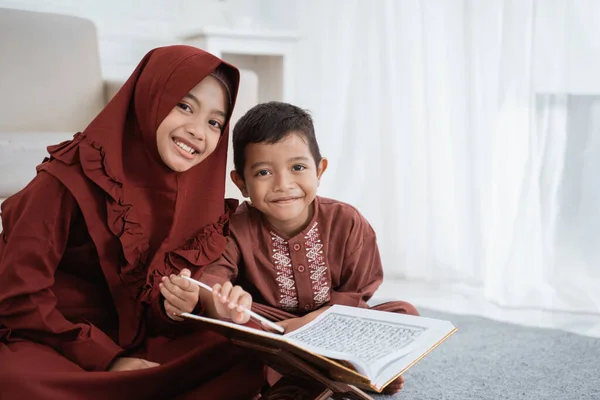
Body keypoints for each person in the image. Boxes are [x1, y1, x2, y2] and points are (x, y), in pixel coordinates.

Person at [0, 45, 266, 399]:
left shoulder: (197, 201)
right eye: (184, 106)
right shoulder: (66, 177)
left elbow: (150, 311)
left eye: (214, 122)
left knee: (242, 354)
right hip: (50, 337)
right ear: (150, 97)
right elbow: (20, 297)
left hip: (135, 343)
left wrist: (177, 307)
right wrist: (108, 360)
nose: (198, 131)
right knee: (17, 381)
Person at [161, 101, 419, 394]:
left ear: (319, 170)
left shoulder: (347, 221)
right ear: (241, 183)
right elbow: (212, 278)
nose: (283, 184)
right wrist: (224, 298)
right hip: (274, 331)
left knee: (404, 312)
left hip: (336, 326)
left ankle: (343, 369)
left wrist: (310, 324)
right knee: (231, 330)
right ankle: (323, 377)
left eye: (298, 167)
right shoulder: (234, 226)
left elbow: (358, 292)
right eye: (263, 173)